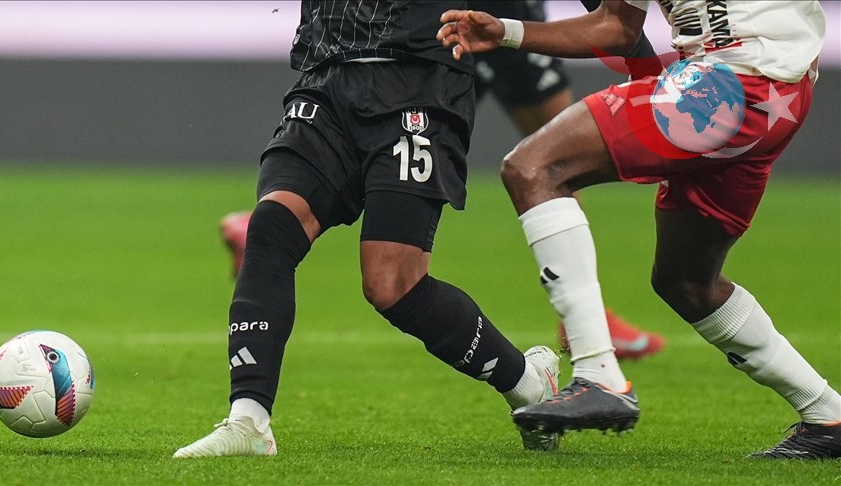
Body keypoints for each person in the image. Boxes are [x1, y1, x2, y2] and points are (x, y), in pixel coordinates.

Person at [437, 0, 840, 459]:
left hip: (731, 83)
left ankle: (599, 375)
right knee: (687, 282)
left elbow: (616, 26)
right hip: (779, 98)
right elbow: (617, 27)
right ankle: (827, 414)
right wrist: (507, 32)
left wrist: (508, 32)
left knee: (534, 167)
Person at [175, 0, 563, 458]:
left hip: (419, 78)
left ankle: (528, 383)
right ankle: (248, 420)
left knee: (392, 285)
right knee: (271, 227)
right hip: (327, 74)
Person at [220, 0, 666, 362]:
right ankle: (585, 316)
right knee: (550, 160)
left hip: (446, 31)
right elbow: (613, 22)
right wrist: (647, 71)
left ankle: (274, 216)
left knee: (430, 114)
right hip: (487, 19)